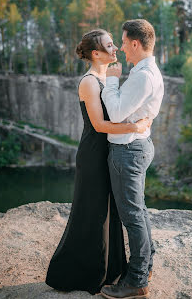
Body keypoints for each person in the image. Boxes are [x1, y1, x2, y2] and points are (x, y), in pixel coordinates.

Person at [45, 29, 151, 295]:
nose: (116, 48)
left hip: (112, 153)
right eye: (109, 45)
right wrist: (135, 128)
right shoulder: (89, 82)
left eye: (115, 43)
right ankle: (83, 273)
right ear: (96, 53)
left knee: (112, 213)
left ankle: (112, 269)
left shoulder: (109, 76)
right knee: (93, 213)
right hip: (94, 154)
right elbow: (100, 125)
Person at [100, 19, 164, 299]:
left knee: (133, 216)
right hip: (136, 146)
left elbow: (114, 114)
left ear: (136, 43)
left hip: (128, 152)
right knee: (139, 211)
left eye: (124, 42)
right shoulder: (145, 71)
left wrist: (112, 79)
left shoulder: (142, 76)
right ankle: (145, 266)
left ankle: (137, 281)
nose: (121, 47)